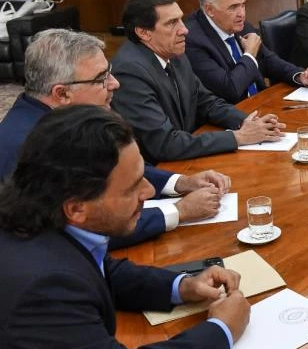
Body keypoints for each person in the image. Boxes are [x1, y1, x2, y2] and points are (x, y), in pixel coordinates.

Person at [0, 105, 250, 349]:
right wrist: (221, 330)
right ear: (76, 207)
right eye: (132, 188)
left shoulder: (41, 219)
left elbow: (100, 270)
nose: (148, 192)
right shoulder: (39, 284)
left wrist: (182, 286)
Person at [0, 29, 230, 249]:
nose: (115, 84)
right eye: (101, 79)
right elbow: (82, 230)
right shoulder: (31, 149)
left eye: (109, 73)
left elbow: (115, 168)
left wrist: (181, 183)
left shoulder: (61, 121)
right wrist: (179, 211)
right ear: (62, 93)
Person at [111, 0, 284, 163]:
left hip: (188, 157)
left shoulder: (174, 53)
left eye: (181, 20)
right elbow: (164, 144)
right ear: (143, 33)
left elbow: (206, 102)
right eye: (172, 23)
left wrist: (249, 121)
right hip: (160, 173)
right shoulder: (129, 72)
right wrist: (238, 137)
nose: (184, 30)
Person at [185, 0, 308, 103]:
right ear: (209, 10)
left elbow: (270, 61)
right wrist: (250, 53)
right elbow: (230, 89)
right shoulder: (193, 40)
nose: (242, 14)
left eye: (243, 5)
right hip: (230, 117)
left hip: (260, 104)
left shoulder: (240, 25)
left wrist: (300, 76)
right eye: (233, 7)